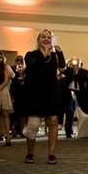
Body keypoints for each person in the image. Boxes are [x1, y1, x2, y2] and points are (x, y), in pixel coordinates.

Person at [23, 29, 65, 164]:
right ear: (38, 40)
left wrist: (59, 52)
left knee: (53, 122)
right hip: (35, 93)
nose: (46, 39)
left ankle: (51, 154)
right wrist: (45, 52)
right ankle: (30, 153)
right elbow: (34, 65)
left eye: (49, 37)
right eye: (43, 37)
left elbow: (63, 67)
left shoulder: (54, 56)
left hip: (51, 93)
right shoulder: (31, 55)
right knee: (33, 125)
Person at [61, 58, 88, 138]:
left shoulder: (84, 72)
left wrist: (78, 72)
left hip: (80, 96)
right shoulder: (67, 72)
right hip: (68, 95)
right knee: (69, 112)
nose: (75, 66)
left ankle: (80, 131)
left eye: (77, 65)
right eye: (73, 65)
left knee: (81, 112)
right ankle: (68, 131)